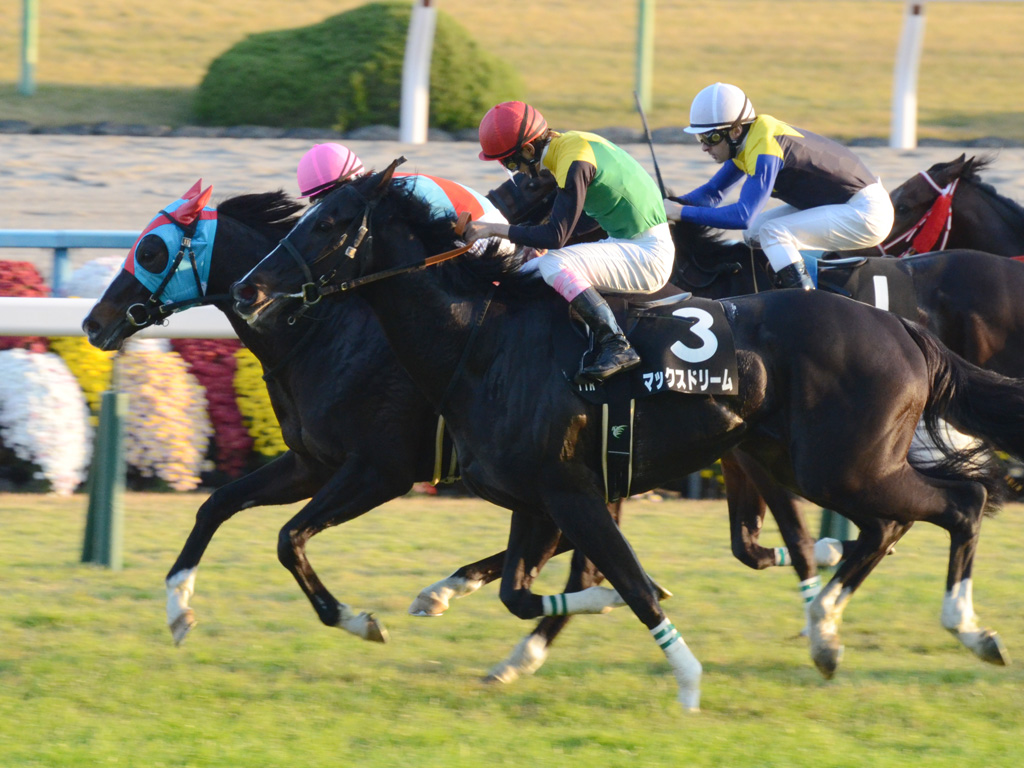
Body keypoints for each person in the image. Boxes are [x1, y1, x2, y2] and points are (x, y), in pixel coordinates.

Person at [465, 101, 674, 382]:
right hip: (628, 244)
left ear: (529, 150)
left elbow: (555, 237)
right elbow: (588, 219)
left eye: (511, 163)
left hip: (648, 255)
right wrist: (534, 241)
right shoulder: (569, 145)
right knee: (524, 272)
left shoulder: (573, 160)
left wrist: (495, 229)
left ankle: (616, 345)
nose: (517, 172)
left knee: (552, 264)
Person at [664, 82, 894, 290]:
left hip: (867, 212)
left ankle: (807, 301)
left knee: (772, 232)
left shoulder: (765, 148)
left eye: (711, 138)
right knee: (754, 233)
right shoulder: (747, 140)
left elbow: (743, 215)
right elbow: (712, 194)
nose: (704, 147)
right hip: (843, 204)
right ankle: (799, 277)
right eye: (700, 138)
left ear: (735, 131)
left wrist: (681, 213)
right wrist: (666, 206)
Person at [295, 142, 512, 256]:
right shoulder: (377, 189)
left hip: (486, 237)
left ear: (348, 184)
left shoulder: (393, 194)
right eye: (317, 201)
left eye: (326, 197)